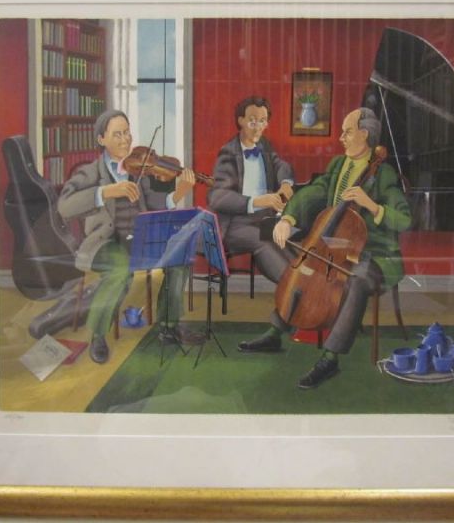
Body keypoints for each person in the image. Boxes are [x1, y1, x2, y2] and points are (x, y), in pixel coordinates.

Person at [237, 107, 412, 389]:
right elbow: (315, 191)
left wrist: (371, 205)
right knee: (297, 263)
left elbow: (404, 219)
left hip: (374, 252)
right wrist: (289, 219)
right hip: (333, 244)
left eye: (347, 132)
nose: (341, 137)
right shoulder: (339, 164)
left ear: (364, 134)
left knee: (356, 280)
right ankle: (276, 331)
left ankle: (330, 358)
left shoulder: (384, 174)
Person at [58, 109, 196, 364]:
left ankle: (168, 326)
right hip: (106, 242)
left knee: (180, 256)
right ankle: (98, 335)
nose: (125, 140)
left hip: (138, 238)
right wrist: (106, 191)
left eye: (127, 132)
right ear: (101, 139)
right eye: (117, 134)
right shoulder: (90, 172)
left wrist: (179, 193)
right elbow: (64, 206)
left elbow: (154, 203)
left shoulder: (136, 169)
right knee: (120, 268)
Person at [207, 96, 295, 283]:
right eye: (252, 121)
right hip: (235, 224)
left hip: (264, 219)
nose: (258, 127)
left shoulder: (264, 145)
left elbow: (281, 165)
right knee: (263, 241)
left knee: (287, 240)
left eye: (262, 121)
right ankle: (291, 287)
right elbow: (217, 197)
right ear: (240, 120)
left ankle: (306, 285)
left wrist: (286, 182)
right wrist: (256, 201)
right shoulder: (228, 152)